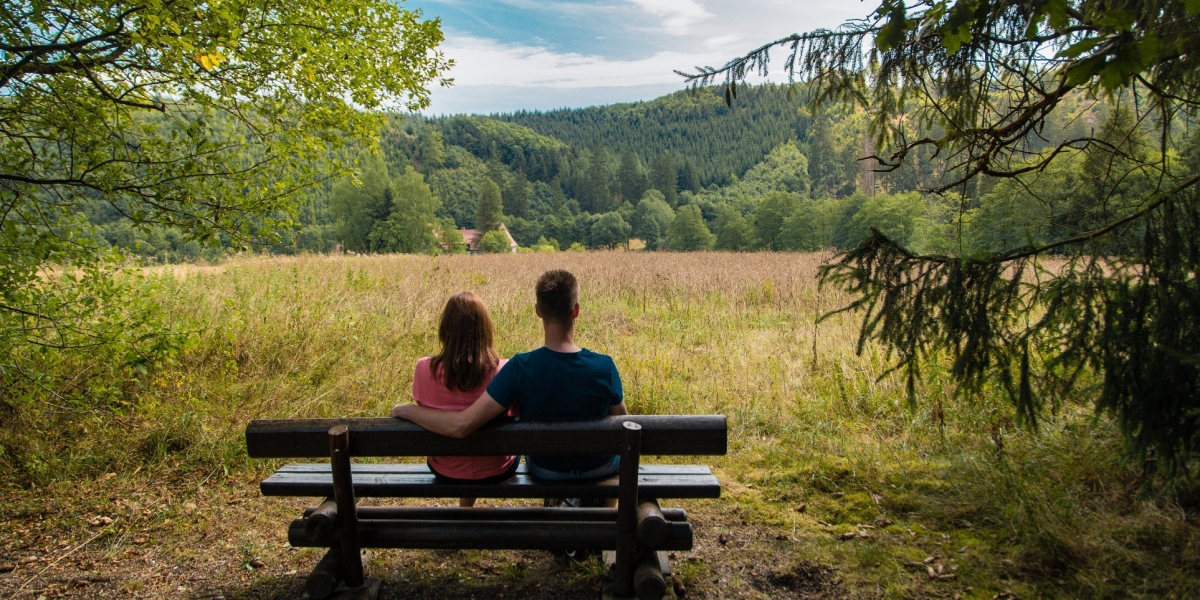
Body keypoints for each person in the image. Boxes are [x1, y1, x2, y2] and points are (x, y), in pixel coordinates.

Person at [390, 269, 627, 484]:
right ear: (576, 310)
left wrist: (406, 410)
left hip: (546, 469)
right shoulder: (605, 366)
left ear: (537, 311)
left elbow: (463, 425)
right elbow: (622, 424)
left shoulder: (520, 367)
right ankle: (606, 514)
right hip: (599, 467)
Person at [410, 292, 517, 507]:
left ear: (445, 329)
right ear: (485, 330)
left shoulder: (424, 369)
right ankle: (466, 506)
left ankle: (465, 507)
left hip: (446, 469)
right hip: (496, 469)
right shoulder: (504, 370)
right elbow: (515, 412)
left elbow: (425, 411)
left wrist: (405, 410)